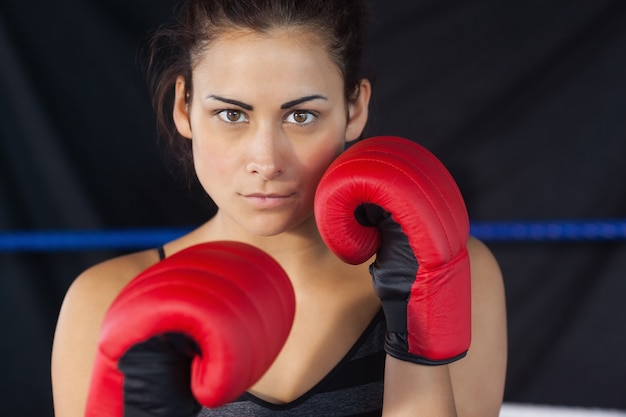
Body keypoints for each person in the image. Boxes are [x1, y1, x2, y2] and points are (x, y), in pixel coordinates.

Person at [51, 1, 507, 416]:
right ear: (184, 107)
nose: (266, 162)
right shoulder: (105, 302)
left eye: (300, 115)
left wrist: (416, 336)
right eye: (232, 114)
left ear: (354, 108)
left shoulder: (454, 272)